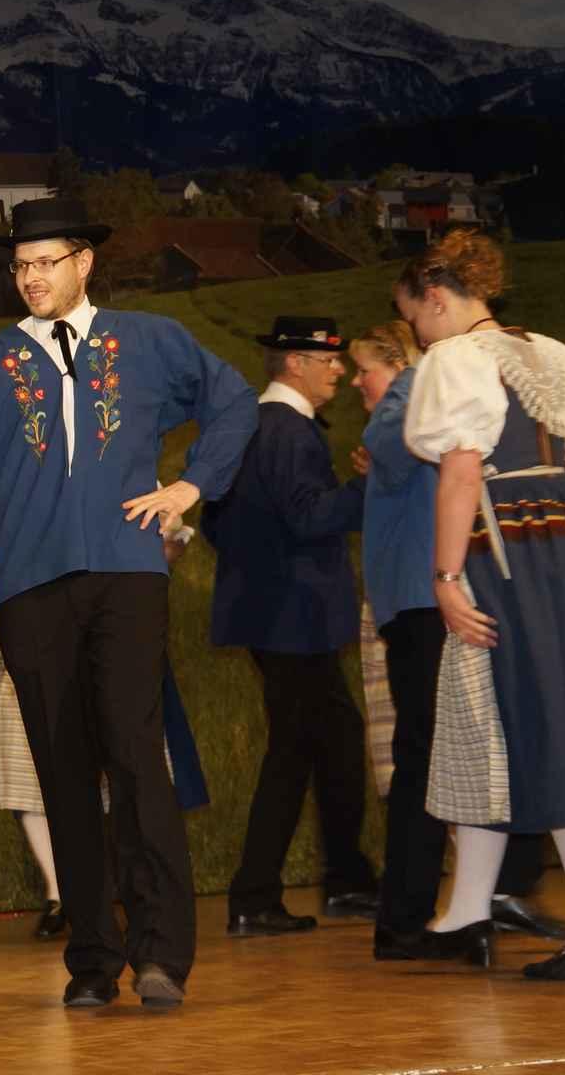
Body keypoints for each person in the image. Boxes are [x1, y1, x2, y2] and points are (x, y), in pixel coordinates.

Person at [0, 196, 257, 1010]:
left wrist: (190, 486)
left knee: (136, 756)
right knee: (63, 772)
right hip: (31, 589)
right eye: (20, 266)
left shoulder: (148, 340)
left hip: (126, 574)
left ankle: (161, 956)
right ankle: (93, 959)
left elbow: (235, 401)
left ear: (85, 262)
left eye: (46, 263)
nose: (31, 278)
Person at [395, 231, 565, 980]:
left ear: (436, 299)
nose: (418, 333)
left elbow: (461, 472)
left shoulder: (453, 359)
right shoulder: (550, 353)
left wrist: (445, 577)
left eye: (414, 317)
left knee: (538, 719)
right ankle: (467, 913)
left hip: (509, 549)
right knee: (493, 720)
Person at [348, 321, 565, 961]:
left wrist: (414, 387)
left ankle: (440, 911)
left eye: (365, 370)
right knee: (445, 751)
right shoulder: (429, 398)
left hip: (428, 603)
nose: (357, 383)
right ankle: (451, 907)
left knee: (433, 754)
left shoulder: (417, 387)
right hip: (427, 601)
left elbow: (390, 443)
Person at [202, 316, 377, 934]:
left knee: (316, 744)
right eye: (329, 360)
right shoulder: (289, 431)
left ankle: (334, 881)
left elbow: (216, 522)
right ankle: (269, 893)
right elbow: (309, 517)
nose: (340, 371)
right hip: (294, 619)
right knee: (307, 748)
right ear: (295, 364)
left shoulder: (250, 425)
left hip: (271, 614)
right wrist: (371, 486)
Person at [0, 513, 210, 941]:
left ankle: (133, 897)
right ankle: (62, 893)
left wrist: (149, 555)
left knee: (128, 766)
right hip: (40, 631)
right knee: (37, 771)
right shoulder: (21, 483)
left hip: (110, 633)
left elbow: (168, 540)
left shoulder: (125, 474)